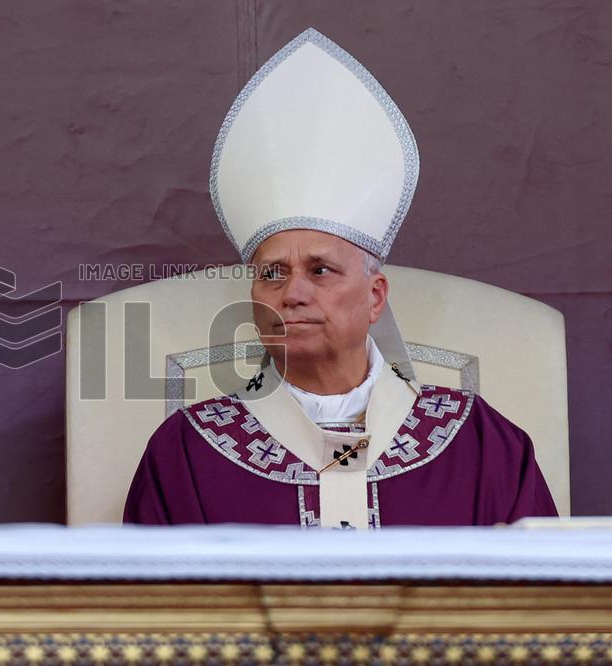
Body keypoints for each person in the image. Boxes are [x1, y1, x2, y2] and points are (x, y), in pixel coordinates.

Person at [123, 28, 557, 528]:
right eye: (272, 273)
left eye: (320, 270)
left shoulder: (480, 444)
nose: (293, 294)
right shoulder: (187, 452)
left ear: (375, 296)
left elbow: (538, 579)